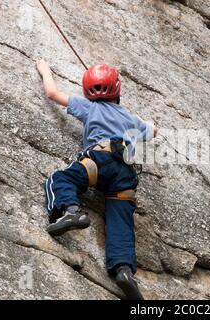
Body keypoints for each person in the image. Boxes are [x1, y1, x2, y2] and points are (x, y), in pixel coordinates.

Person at [36, 60, 157, 300]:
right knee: (120, 220)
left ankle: (70, 210)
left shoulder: (89, 107)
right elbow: (153, 131)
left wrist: (45, 70)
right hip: (125, 174)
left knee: (61, 179)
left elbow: (52, 93)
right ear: (117, 89)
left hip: (99, 160)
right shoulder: (130, 119)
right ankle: (123, 270)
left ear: (87, 91)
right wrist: (148, 123)